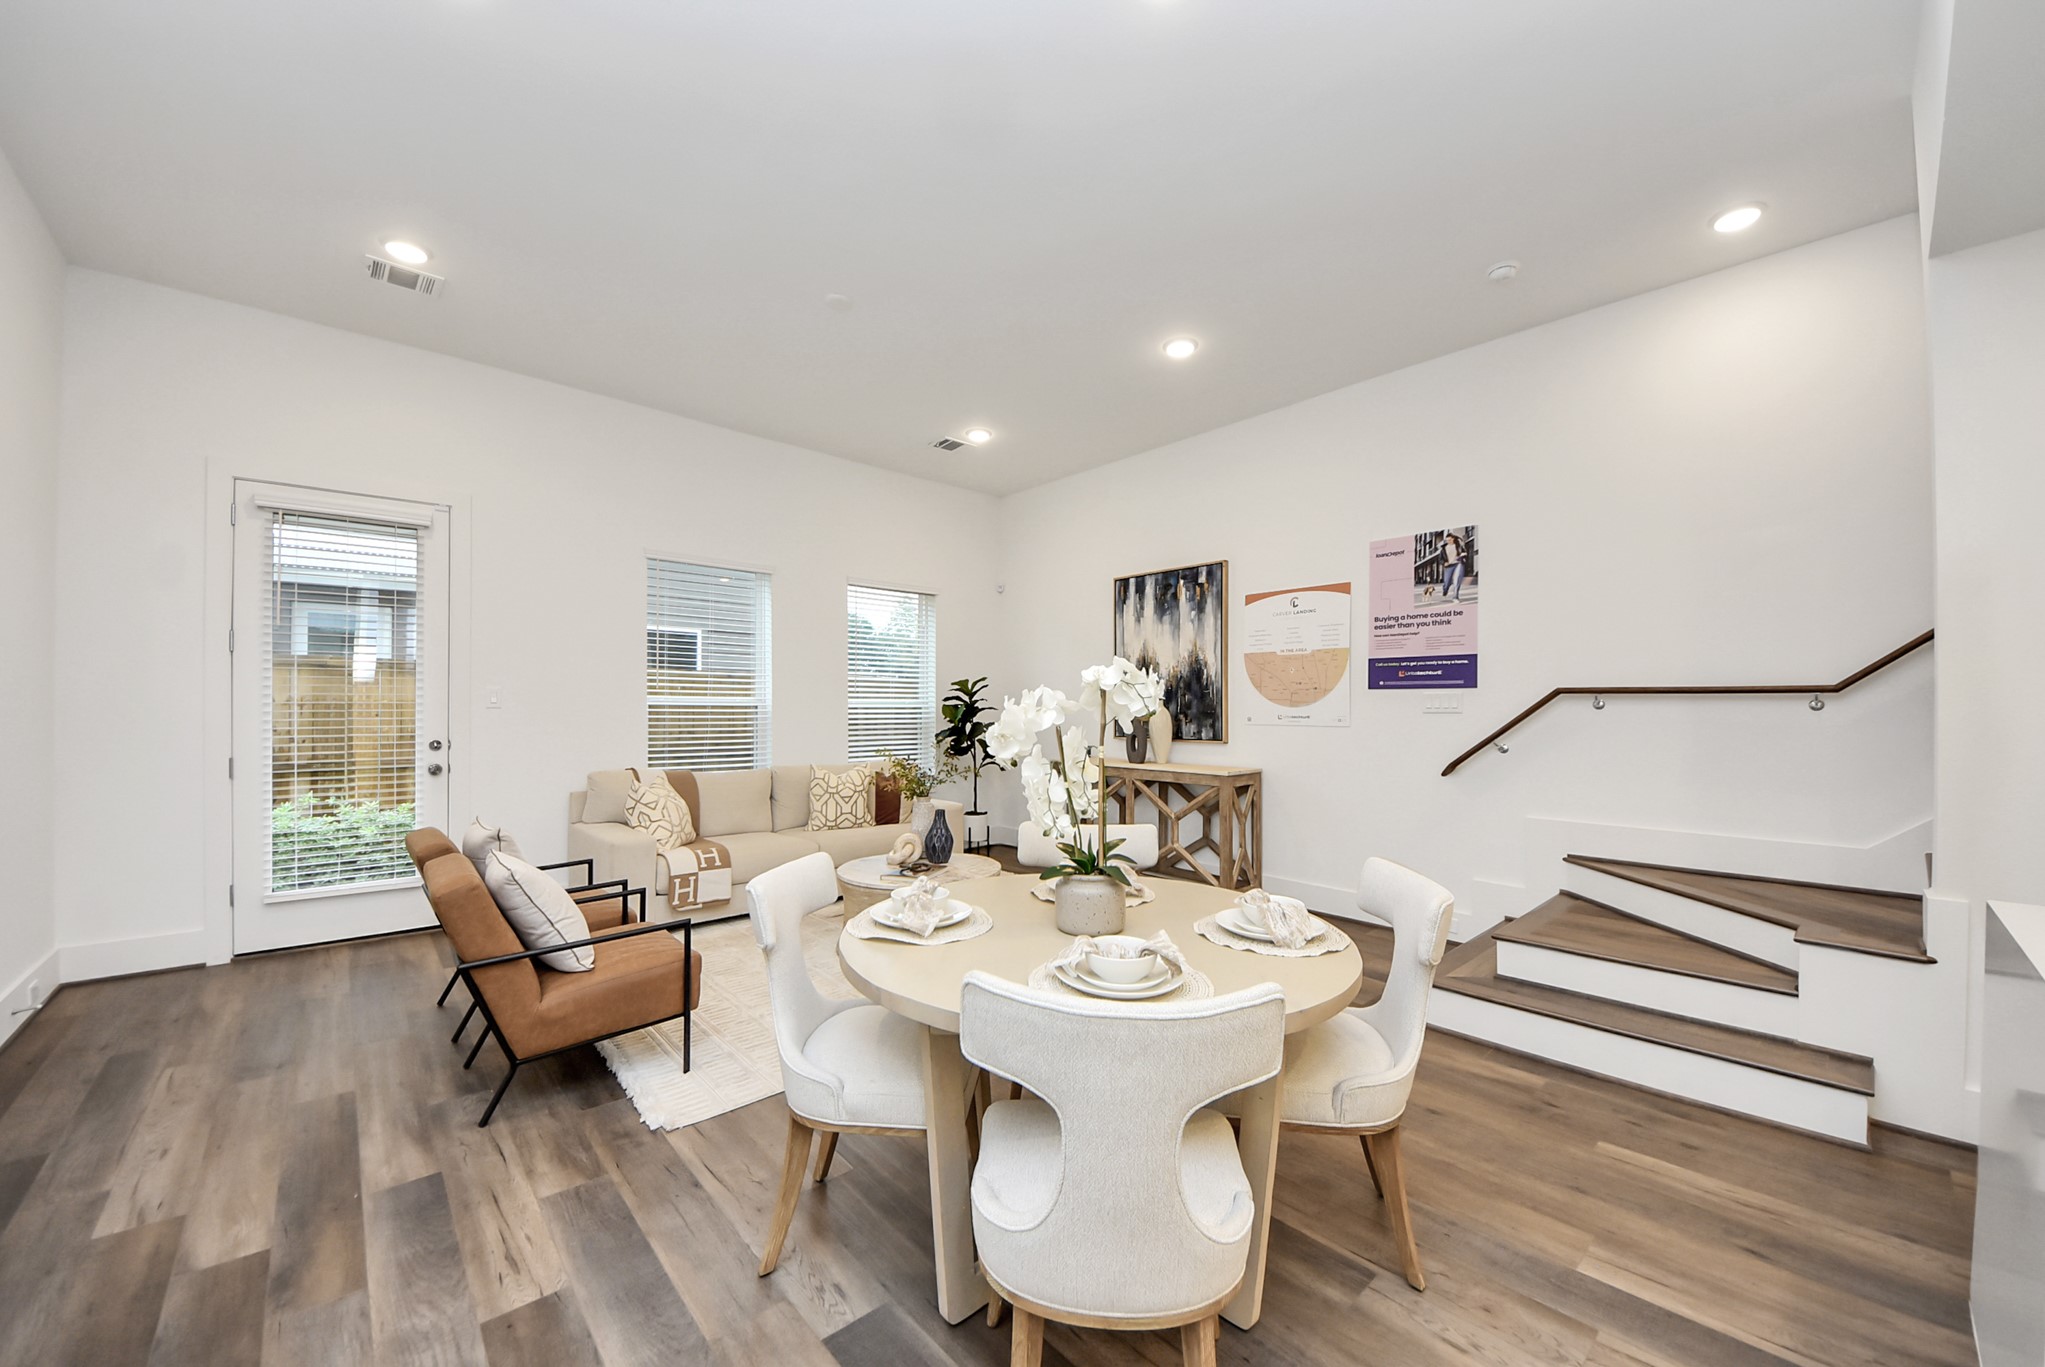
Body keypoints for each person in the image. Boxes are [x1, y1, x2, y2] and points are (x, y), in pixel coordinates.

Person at [1441, 531, 1467, 603]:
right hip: (1448, 566)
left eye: (1449, 540)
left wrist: (1462, 556)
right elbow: (1440, 559)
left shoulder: (1458, 545)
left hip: (1458, 564)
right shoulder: (1444, 548)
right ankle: (1445, 590)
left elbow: (1464, 552)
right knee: (1447, 582)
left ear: (1453, 539)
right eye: (1447, 540)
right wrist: (1444, 563)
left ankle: (1455, 597)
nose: (1448, 541)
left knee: (1457, 580)